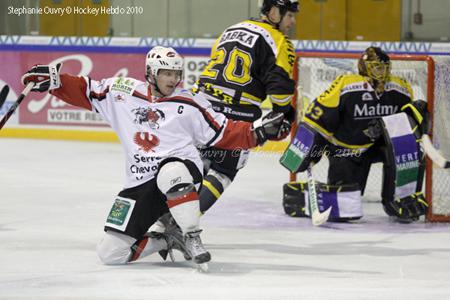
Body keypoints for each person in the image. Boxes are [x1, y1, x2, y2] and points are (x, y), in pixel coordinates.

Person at [21, 46, 287, 268]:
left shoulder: (191, 102)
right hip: (140, 184)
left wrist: (260, 132)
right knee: (110, 253)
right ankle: (169, 240)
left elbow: (225, 132)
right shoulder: (121, 92)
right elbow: (85, 89)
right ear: (150, 73)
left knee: (171, 172)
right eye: (166, 73)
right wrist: (54, 82)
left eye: (176, 73)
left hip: (181, 172)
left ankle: (191, 235)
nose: (173, 79)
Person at [281, 46, 429, 223]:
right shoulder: (347, 84)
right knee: (345, 206)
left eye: (385, 66)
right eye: (377, 66)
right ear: (365, 67)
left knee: (408, 146)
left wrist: (415, 114)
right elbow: (317, 115)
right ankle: (314, 198)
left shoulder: (400, 88)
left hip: (380, 147)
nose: (383, 71)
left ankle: (401, 197)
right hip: (347, 149)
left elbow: (406, 122)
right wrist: (308, 148)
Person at [193, 0, 299, 214]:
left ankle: (161, 221)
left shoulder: (231, 29)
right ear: (275, 12)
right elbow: (279, 90)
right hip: (237, 112)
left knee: (195, 166)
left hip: (200, 104)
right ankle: (182, 225)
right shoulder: (280, 41)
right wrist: (285, 111)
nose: (293, 21)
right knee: (223, 171)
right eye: (290, 15)